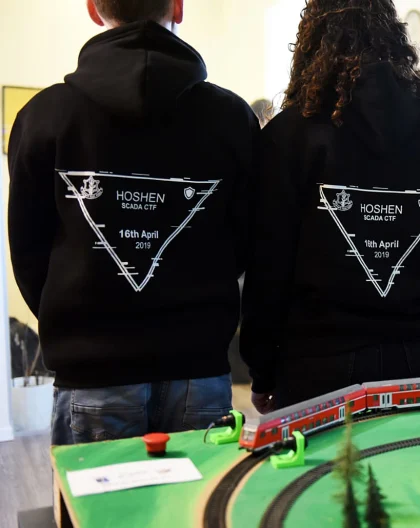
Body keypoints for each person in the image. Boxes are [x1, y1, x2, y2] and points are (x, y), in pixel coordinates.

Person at [8, 0, 259, 445]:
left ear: (93, 9)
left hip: (92, 375)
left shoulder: (44, 116)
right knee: (199, 496)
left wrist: (76, 319)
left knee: (97, 497)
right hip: (198, 372)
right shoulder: (233, 120)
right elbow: (246, 243)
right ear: (178, 7)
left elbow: (28, 252)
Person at [241, 0, 420, 412]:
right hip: (407, 360)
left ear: (313, 39)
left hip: (313, 366)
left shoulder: (292, 136)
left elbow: (269, 265)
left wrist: (262, 367)